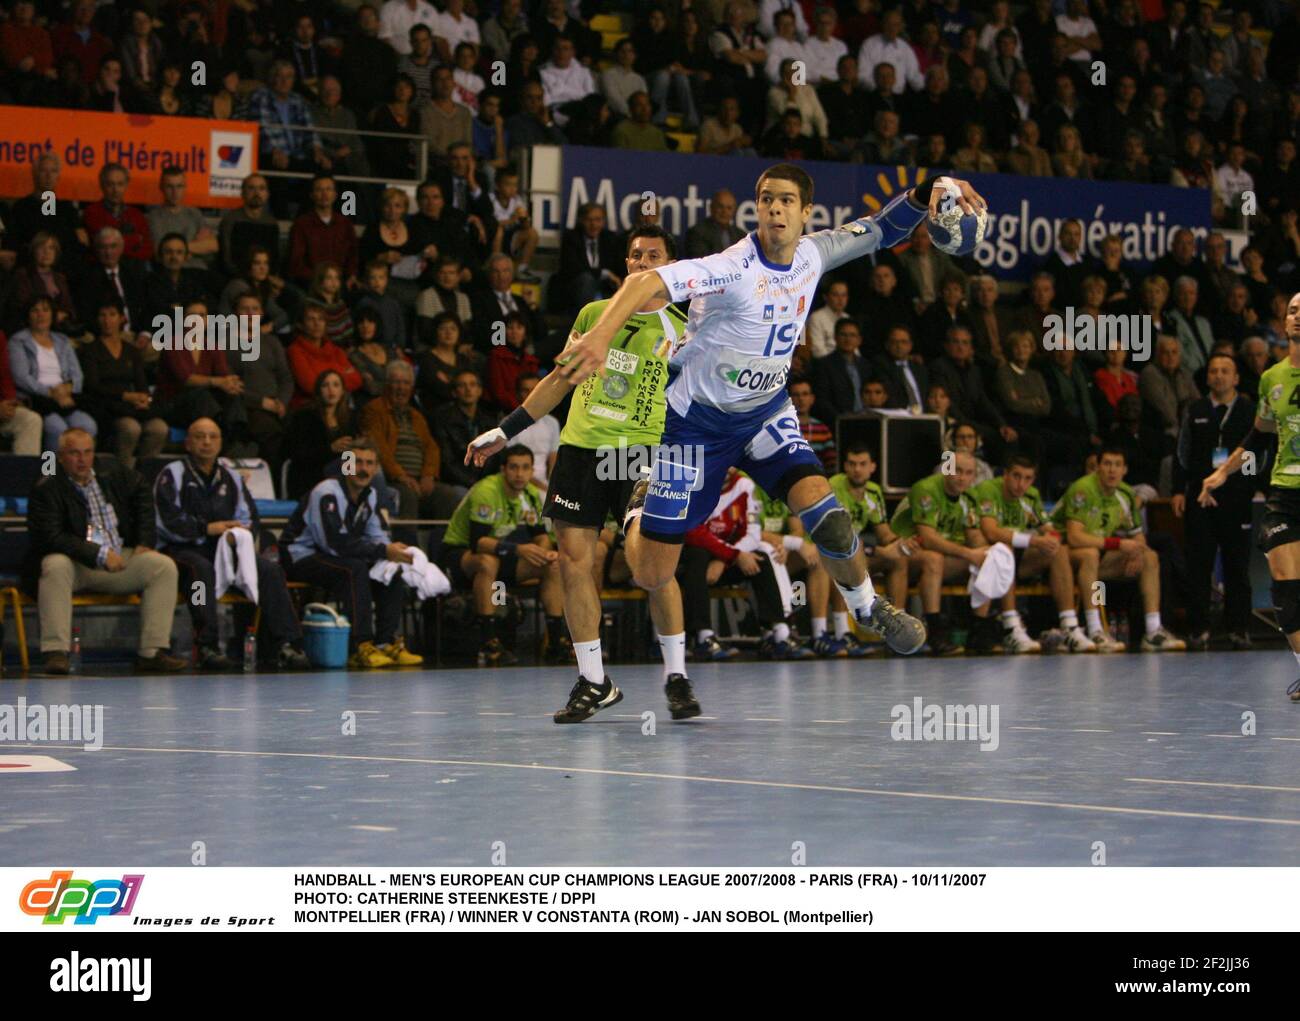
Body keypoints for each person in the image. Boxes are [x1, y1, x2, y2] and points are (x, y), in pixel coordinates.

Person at [555, 164, 976, 663]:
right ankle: (637, 508)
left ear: (805, 212)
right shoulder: (731, 267)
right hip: (694, 426)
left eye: (786, 200)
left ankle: (866, 607)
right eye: (766, 199)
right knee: (651, 573)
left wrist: (929, 191)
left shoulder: (815, 254)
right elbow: (642, 286)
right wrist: (600, 336)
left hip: (765, 416)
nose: (775, 208)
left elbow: (884, 228)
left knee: (830, 516)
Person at [466, 225, 700, 722]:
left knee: (651, 567)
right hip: (581, 449)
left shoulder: (686, 325)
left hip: (642, 451)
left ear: (672, 268)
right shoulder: (595, 313)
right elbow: (560, 379)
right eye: (635, 255)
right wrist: (505, 432)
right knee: (574, 560)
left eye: (652, 256)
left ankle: (676, 675)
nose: (641, 263)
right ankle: (594, 680)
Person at [1200, 294, 1300, 696]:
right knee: (1284, 579)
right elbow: (1260, 437)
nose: (1297, 317)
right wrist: (1222, 473)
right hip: (1285, 492)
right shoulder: (1272, 378)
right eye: (1293, 310)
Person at [25, 428, 187, 675]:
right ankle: (56, 652)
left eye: (87, 452)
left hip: (119, 558)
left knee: (162, 566)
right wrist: (98, 554)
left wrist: (144, 540)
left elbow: (143, 489)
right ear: (60, 456)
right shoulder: (47, 486)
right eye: (74, 453)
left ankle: (152, 652)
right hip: (78, 564)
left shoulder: (111, 470)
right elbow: (50, 537)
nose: (82, 459)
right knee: (54, 564)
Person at [155, 418, 311, 670]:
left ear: (220, 443)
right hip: (183, 550)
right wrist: (207, 529)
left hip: (226, 550)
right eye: (199, 436)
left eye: (213, 437)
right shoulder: (172, 474)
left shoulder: (231, 478)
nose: (206, 442)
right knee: (200, 573)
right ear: (187, 443)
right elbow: (166, 520)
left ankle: (288, 643)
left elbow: (250, 517)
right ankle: (207, 645)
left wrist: (238, 533)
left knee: (270, 571)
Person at [280, 436, 423, 669]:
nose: (363, 469)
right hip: (301, 555)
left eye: (368, 463)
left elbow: (377, 536)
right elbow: (333, 544)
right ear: (345, 464)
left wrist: (389, 554)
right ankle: (361, 645)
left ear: (376, 468)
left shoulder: (371, 495)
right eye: (357, 462)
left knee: (389, 569)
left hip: (338, 555)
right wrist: (382, 550)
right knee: (354, 570)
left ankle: (386, 643)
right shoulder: (326, 492)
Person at [438, 444, 564, 667]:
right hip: (460, 554)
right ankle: (489, 643)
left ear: (532, 471)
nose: (519, 474)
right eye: (514, 467)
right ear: (503, 469)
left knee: (552, 566)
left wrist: (545, 552)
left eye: (525, 468)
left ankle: (556, 643)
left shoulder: (531, 495)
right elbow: (478, 543)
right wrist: (519, 549)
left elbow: (540, 535)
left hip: (502, 554)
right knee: (488, 561)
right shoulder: (486, 491)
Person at [1054, 446, 1186, 653]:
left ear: (1125, 470)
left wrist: (1136, 552)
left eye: (1117, 465)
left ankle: (1153, 631)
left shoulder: (1124, 494)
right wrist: (1118, 545)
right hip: (1064, 557)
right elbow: (1074, 537)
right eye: (1106, 464)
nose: (1112, 470)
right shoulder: (1083, 490)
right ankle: (1095, 629)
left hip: (1100, 554)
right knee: (1090, 556)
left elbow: (1138, 537)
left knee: (1150, 556)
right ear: (1097, 467)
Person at [1173, 353, 1256, 651]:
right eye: (1213, 371)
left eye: (1225, 371)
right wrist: (1178, 490)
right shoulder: (1195, 409)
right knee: (1198, 564)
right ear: (1207, 377)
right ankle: (1198, 629)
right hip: (1200, 496)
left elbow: (1259, 450)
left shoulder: (1248, 410)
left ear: (1236, 378)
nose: (1219, 376)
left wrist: (1253, 485)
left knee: (1237, 565)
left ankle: (1239, 628)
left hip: (1237, 497)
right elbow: (1182, 452)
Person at [972, 454, 1095, 653]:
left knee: (1059, 550)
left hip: (1023, 562)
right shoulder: (988, 489)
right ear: (1005, 475)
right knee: (1005, 549)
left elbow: (1048, 528)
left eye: (1027, 478)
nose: (1021, 484)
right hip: (988, 562)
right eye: (1016, 476)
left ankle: (1070, 626)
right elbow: (991, 532)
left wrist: (1052, 538)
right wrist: (1034, 540)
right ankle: (1011, 627)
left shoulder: (1032, 496)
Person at [888, 450, 999, 656]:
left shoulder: (969, 498)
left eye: (968, 473)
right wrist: (968, 553)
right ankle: (935, 629)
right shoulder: (926, 489)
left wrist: (984, 550)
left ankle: (978, 629)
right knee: (934, 558)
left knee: (989, 559)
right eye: (957, 470)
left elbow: (974, 535)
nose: (962, 477)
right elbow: (928, 539)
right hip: (903, 554)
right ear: (947, 468)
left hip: (940, 558)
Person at [359, 360, 464, 522]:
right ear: (387, 385)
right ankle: (408, 545)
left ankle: (444, 546)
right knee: (407, 495)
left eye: (406, 383)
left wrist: (428, 475)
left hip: (420, 480)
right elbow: (378, 448)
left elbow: (432, 448)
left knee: (450, 496)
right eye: (396, 382)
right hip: (393, 479)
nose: (401, 388)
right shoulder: (374, 410)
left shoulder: (416, 415)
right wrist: (401, 476)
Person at [77, 298, 167, 469]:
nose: (107, 320)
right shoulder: (90, 350)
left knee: (159, 428)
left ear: (121, 319)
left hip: (131, 406)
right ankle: (121, 475)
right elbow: (93, 385)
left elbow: (141, 384)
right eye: (102, 315)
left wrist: (143, 399)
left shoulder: (131, 350)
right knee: (130, 428)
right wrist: (125, 396)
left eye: (112, 315)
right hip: (106, 406)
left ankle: (142, 475)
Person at [9, 296, 96, 454]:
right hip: (37, 399)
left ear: (52, 314)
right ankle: (52, 474)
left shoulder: (62, 340)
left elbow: (77, 374)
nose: (41, 315)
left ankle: (78, 473)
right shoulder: (18, 341)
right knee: (57, 428)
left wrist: (67, 389)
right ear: (28, 315)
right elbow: (21, 377)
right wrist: (51, 392)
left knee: (88, 426)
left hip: (65, 397)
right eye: (35, 311)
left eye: (45, 310)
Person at [284, 369, 356, 499]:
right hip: (311, 475)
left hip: (344, 473)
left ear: (342, 391)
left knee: (368, 466)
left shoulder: (350, 419)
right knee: (354, 464)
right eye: (325, 385)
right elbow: (298, 454)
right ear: (318, 391)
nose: (331, 390)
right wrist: (330, 448)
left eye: (335, 385)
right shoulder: (304, 416)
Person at [287, 304, 363, 407]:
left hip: (339, 405)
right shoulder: (295, 351)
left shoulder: (336, 350)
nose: (317, 324)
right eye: (311, 319)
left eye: (321, 319)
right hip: (310, 406)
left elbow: (356, 380)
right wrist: (340, 376)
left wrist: (323, 380)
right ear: (301, 325)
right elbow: (310, 385)